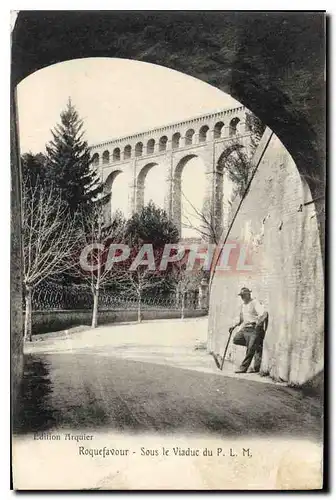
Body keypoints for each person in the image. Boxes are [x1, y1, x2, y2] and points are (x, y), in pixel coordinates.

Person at [229, 287, 268, 374]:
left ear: (248, 294)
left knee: (250, 348)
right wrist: (233, 326)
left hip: (254, 329)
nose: (242, 297)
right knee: (236, 339)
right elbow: (241, 320)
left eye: (243, 295)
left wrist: (259, 324)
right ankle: (255, 345)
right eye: (241, 296)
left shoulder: (254, 303)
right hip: (245, 329)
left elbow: (264, 314)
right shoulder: (243, 306)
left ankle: (243, 368)